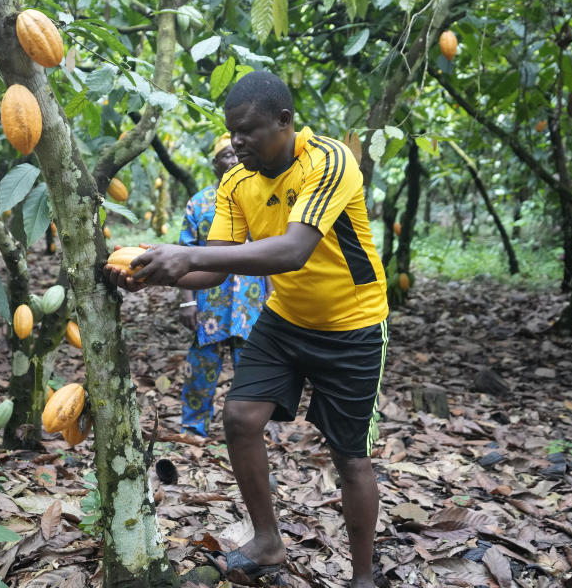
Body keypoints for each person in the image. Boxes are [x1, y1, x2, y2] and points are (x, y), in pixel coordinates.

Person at [105, 70, 388, 588]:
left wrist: (188, 253)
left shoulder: (328, 161)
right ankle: (267, 542)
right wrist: (151, 272)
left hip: (354, 325)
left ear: (285, 121)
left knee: (349, 456)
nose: (237, 141)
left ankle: (364, 576)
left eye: (249, 130)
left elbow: (293, 250)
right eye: (232, 131)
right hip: (285, 320)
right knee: (238, 416)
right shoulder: (237, 182)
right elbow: (217, 268)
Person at [177, 133, 268, 437]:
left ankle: (254, 428)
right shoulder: (199, 203)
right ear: (215, 164)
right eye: (225, 156)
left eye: (235, 154)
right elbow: (184, 255)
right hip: (210, 302)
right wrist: (188, 302)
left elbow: (270, 254)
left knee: (252, 369)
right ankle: (193, 427)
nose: (232, 160)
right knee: (201, 369)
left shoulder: (259, 197)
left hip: (250, 303)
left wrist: (272, 298)